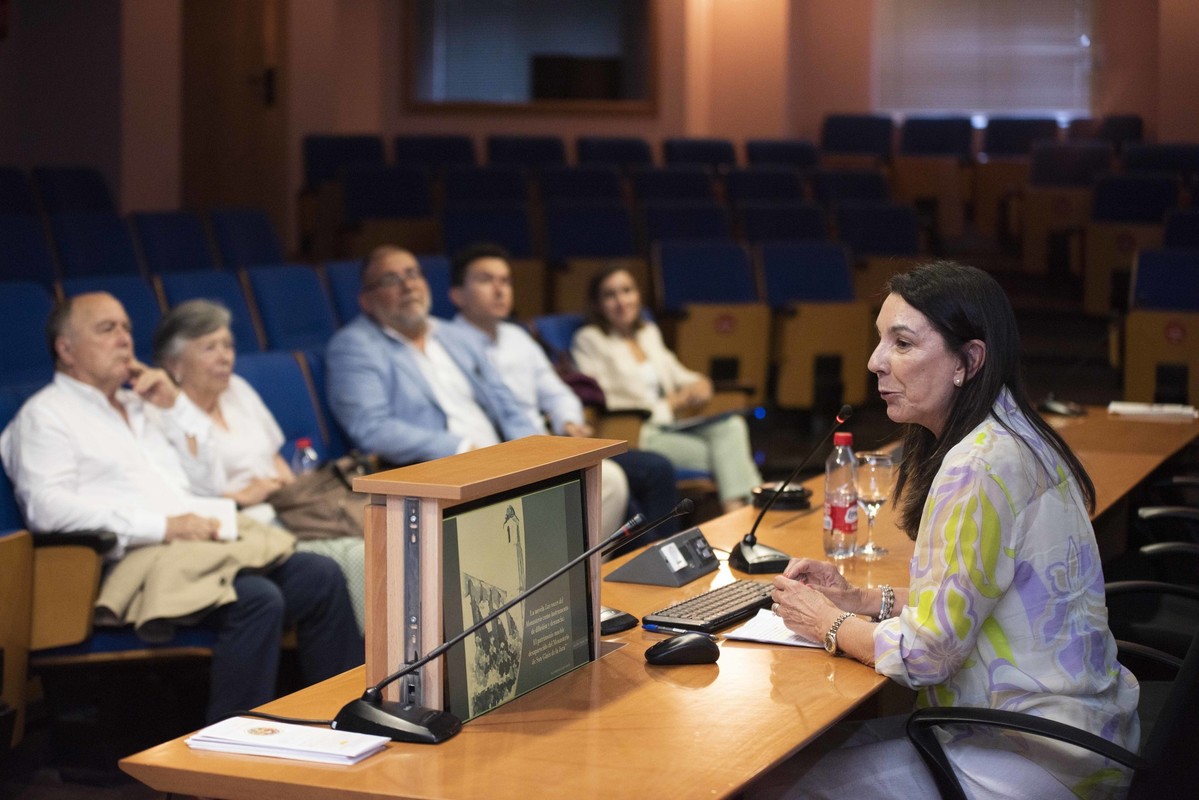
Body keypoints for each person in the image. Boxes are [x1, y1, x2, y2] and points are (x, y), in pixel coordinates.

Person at [754, 262, 1139, 799]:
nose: (875, 362)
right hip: (1077, 735)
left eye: (902, 343)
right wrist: (862, 598)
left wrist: (826, 622)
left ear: (968, 361)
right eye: (879, 340)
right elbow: (977, 595)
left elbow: (927, 654)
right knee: (814, 751)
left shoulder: (977, 466)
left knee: (773, 785)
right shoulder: (1014, 434)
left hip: (1032, 753)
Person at [0, 293, 362, 722]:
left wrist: (176, 410)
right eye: (107, 329)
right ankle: (230, 761)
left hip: (195, 551)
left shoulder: (142, 405)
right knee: (256, 599)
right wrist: (164, 526)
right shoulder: (45, 417)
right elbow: (49, 510)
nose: (124, 339)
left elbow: (207, 483)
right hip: (121, 566)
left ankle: (344, 723)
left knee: (319, 575)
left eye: (127, 329)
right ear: (65, 349)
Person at [152, 298, 367, 632]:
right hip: (237, 524)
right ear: (174, 363)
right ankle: (373, 668)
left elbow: (275, 458)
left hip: (285, 508)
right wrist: (242, 496)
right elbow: (179, 495)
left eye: (228, 345)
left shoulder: (238, 390)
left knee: (378, 543)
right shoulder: (159, 415)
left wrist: (286, 488)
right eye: (210, 347)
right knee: (354, 556)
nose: (225, 356)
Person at [445, 243, 681, 541]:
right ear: (456, 294)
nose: (499, 289)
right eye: (485, 280)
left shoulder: (518, 337)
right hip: (500, 452)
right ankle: (637, 566)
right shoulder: (446, 344)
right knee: (621, 487)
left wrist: (568, 421)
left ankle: (660, 561)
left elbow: (557, 392)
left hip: (550, 443)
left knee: (654, 469)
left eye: (505, 281)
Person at [571, 264, 762, 512]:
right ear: (597, 304)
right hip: (637, 431)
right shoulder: (589, 340)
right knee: (728, 456)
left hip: (672, 424)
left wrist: (700, 383)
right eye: (610, 294)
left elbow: (678, 373)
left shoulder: (647, 332)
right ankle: (744, 512)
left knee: (732, 426)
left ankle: (742, 511)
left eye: (627, 290)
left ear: (638, 295)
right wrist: (669, 404)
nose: (621, 300)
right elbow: (603, 400)